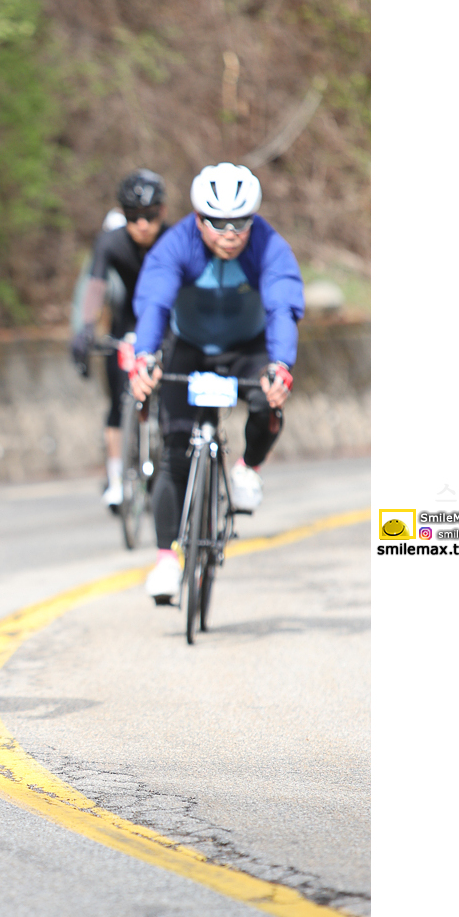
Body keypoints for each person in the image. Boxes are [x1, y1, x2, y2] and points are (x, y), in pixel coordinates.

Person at [127, 163, 303, 604]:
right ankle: (166, 559)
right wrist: (145, 358)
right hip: (188, 347)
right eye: (217, 223)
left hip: (247, 347)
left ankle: (247, 469)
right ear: (197, 218)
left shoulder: (268, 245)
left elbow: (282, 307)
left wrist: (281, 365)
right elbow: (154, 304)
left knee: (267, 401)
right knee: (173, 449)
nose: (230, 234)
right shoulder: (176, 244)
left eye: (240, 223)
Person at [69, 169, 170, 511]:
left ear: (162, 212)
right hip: (127, 324)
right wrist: (85, 329)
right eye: (132, 216)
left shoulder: (174, 239)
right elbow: (94, 285)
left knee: (172, 400)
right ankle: (116, 481)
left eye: (150, 216)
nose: (142, 224)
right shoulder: (110, 242)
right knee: (117, 400)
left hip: (167, 323)